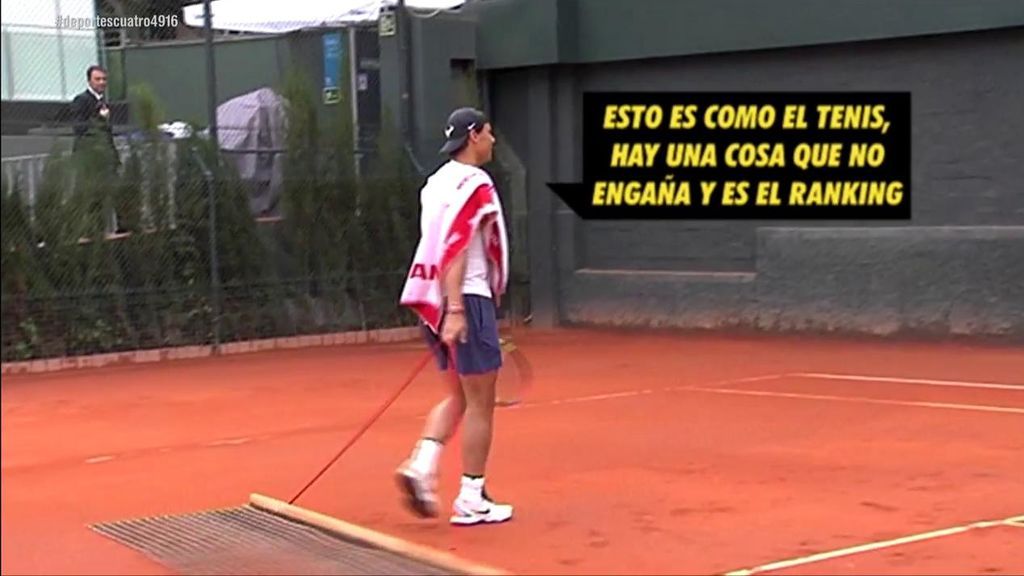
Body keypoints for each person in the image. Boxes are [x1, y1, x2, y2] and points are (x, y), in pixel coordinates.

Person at [396, 107, 512, 526]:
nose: (493, 141)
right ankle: (472, 496)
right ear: (475, 135)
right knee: (482, 402)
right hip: (466, 299)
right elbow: (457, 245)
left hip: (435, 299)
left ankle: (421, 467)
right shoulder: (476, 183)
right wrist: (459, 310)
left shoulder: (435, 183)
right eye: (489, 133)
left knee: (459, 395)